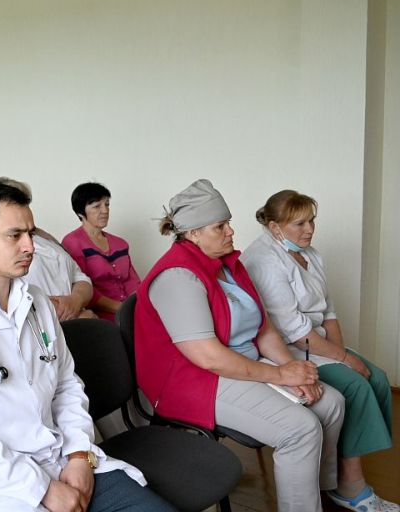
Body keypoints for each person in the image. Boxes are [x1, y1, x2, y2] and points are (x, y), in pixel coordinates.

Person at [0, 183, 174, 512]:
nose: (30, 246)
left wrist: (79, 455)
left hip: (61, 458)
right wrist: (42, 488)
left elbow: (67, 385)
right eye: (14, 235)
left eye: (30, 233)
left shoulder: (37, 302)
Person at [135, 179, 345, 512]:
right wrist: (281, 376)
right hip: (195, 381)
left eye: (228, 223)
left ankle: (318, 496)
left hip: (240, 364)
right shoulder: (177, 277)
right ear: (194, 233)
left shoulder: (229, 265)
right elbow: (209, 357)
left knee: (331, 403)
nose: (231, 231)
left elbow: (264, 329)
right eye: (220, 226)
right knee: (300, 429)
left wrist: (292, 368)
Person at [241, 190, 396, 512]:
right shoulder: (264, 260)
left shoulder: (310, 254)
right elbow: (296, 333)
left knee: (378, 378)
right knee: (356, 385)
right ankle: (351, 485)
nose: (310, 229)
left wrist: (343, 353)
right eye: (299, 223)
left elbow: (329, 311)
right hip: (287, 349)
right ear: (275, 227)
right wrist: (345, 359)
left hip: (317, 343)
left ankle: (344, 467)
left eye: (312, 221)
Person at [0, 178, 96, 321]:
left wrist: (75, 300)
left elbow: (80, 277)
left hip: (77, 317)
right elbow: (7, 296)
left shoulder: (46, 239)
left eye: (23, 202)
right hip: (46, 323)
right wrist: (73, 315)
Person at [61, 183, 140, 321]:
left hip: (131, 311)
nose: (105, 210)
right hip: (99, 318)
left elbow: (134, 282)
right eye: (97, 206)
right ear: (80, 212)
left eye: (107, 204)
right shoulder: (72, 242)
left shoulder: (120, 243)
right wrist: (124, 309)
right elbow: (82, 286)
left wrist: (140, 305)